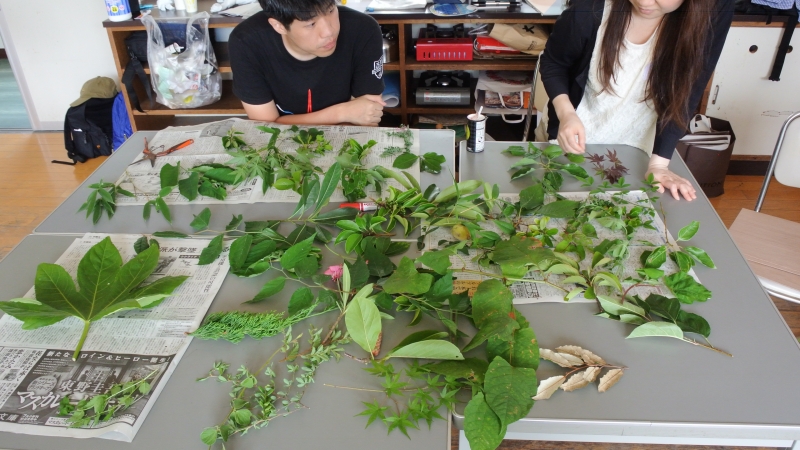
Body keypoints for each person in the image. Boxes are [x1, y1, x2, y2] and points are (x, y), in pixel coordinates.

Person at [538, 0, 735, 200]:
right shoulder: (590, 10)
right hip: (573, 132)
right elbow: (554, 63)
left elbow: (689, 88)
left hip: (641, 147)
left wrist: (659, 164)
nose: (644, 2)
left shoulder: (712, 11)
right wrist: (567, 114)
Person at [229, 0, 386, 126]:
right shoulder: (246, 43)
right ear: (279, 26)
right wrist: (341, 113)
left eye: (331, 10)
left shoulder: (363, 29)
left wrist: (282, 122)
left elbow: (366, 117)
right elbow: (266, 127)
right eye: (311, 23)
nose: (329, 32)